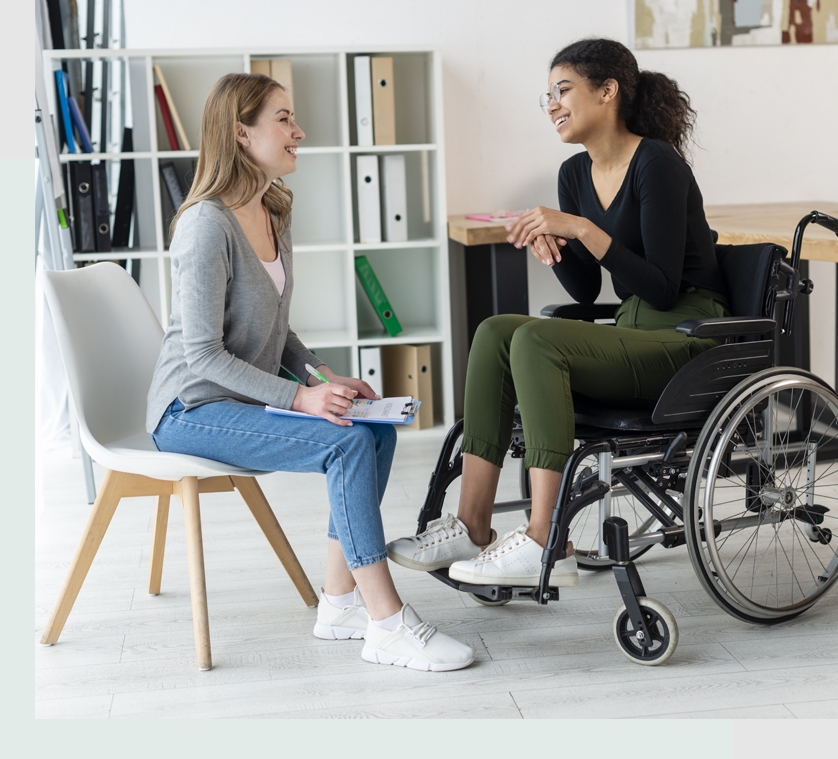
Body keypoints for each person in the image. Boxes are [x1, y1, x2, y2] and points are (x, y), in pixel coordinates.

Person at [146, 72, 473, 672]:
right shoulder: (204, 225)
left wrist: (327, 378)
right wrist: (301, 400)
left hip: (240, 400)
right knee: (346, 447)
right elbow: (202, 356)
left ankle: (341, 603)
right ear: (241, 133)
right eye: (283, 119)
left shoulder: (272, 210)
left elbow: (279, 334)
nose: (300, 131)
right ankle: (388, 623)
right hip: (190, 409)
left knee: (373, 431)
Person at [387, 38, 728, 587]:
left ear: (607, 91)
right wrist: (555, 247)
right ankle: (474, 525)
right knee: (498, 330)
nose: (552, 104)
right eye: (546, 95)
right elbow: (588, 290)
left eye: (562, 90)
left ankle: (547, 537)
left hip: (688, 339)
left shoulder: (657, 163)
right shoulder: (574, 173)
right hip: (632, 333)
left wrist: (580, 229)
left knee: (538, 340)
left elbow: (662, 288)